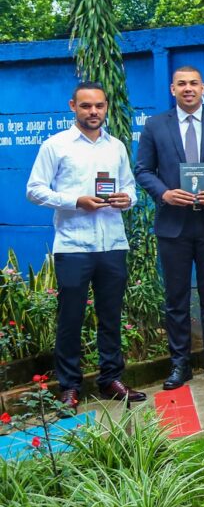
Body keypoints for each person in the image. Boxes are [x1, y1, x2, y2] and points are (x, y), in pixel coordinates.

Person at [26, 81, 145, 410]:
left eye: (99, 106)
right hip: (74, 245)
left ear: (106, 107)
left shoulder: (117, 146)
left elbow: (131, 189)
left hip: (112, 243)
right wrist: (75, 201)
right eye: (86, 106)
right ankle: (69, 386)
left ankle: (111, 379)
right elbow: (34, 190)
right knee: (71, 318)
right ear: (73, 107)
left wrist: (126, 199)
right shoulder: (56, 145)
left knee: (111, 315)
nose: (93, 112)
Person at [135, 65, 204, 390]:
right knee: (175, 298)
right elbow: (143, 169)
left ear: (203, 87)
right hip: (173, 224)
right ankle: (179, 364)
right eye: (181, 84)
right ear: (172, 89)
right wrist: (164, 194)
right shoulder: (155, 126)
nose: (188, 89)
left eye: (193, 83)